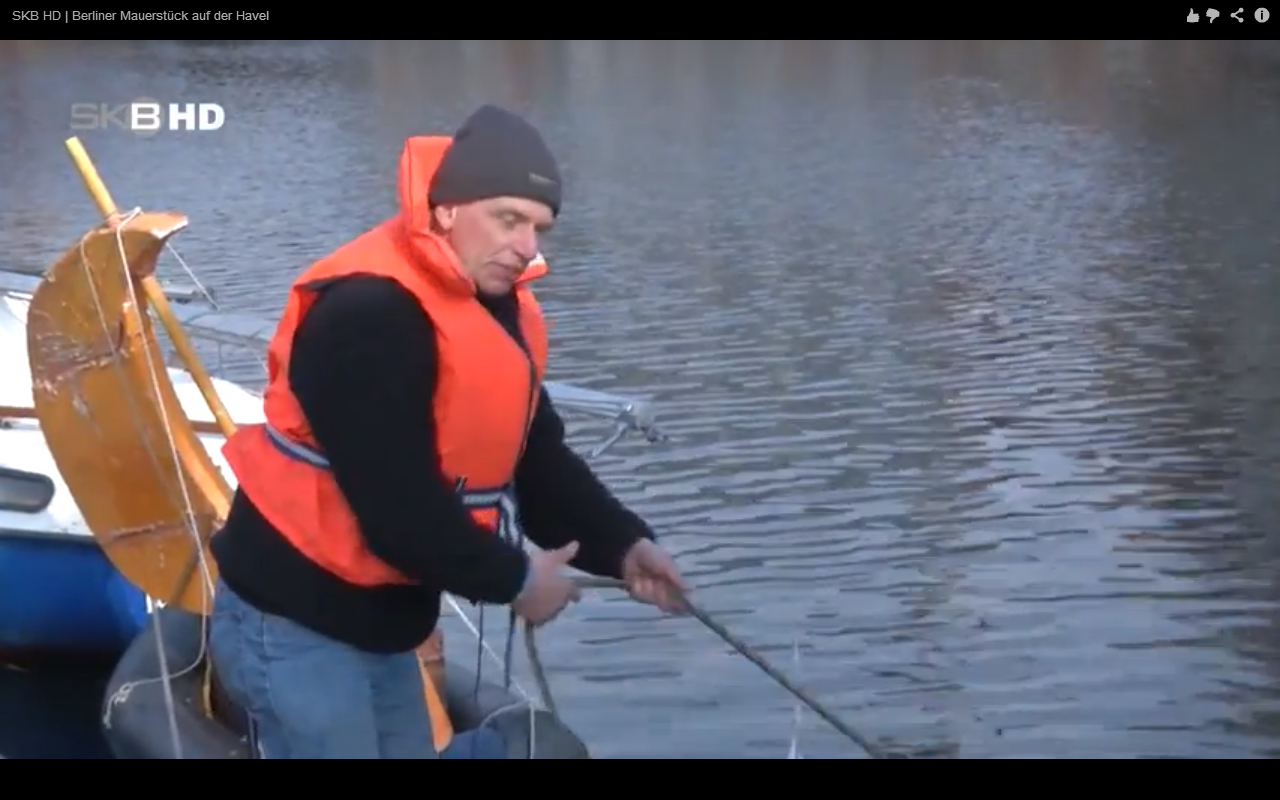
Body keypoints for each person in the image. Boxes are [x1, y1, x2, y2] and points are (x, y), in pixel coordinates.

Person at [207, 104, 687, 759]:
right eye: (508, 219)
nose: (529, 247)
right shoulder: (366, 314)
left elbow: (535, 458)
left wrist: (623, 546)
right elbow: (397, 508)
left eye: (539, 228)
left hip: (381, 622)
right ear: (448, 210)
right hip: (294, 620)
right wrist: (516, 581)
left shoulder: (492, 308)